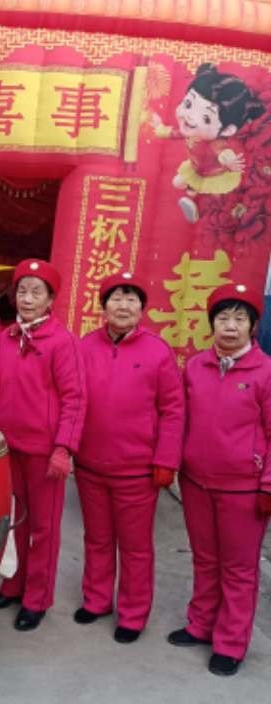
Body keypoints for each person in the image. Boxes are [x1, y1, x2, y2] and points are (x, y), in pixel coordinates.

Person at [74, 272, 184, 644]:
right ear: (103, 307)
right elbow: (72, 399)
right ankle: (96, 599)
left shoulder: (158, 351)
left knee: (135, 548)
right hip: (89, 465)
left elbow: (173, 410)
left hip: (137, 470)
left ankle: (133, 614)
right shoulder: (85, 346)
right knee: (97, 539)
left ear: (142, 309)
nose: (123, 306)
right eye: (116, 299)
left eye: (131, 300)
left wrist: (166, 460)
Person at [168, 283, 271, 677]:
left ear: (253, 326)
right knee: (205, 559)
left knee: (239, 568)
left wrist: (268, 485)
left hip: (244, 487)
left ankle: (230, 642)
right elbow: (180, 419)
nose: (230, 326)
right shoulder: (196, 366)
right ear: (212, 323)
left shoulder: (266, 372)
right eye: (223, 318)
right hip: (196, 481)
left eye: (239, 319)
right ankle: (201, 624)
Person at [0, 260, 86, 631]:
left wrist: (64, 448)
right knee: (17, 522)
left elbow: (75, 397)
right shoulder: (6, 337)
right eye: (22, 292)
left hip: (44, 451)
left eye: (36, 293)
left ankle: (37, 597)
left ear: (50, 300)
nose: (27, 299)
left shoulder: (63, 342)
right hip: (8, 447)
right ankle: (14, 584)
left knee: (44, 528)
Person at [150, 63, 264, 223]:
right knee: (177, 183)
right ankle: (192, 189)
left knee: (217, 201)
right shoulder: (192, 132)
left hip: (214, 175)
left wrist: (229, 161)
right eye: (188, 104)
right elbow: (175, 133)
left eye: (206, 118)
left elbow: (224, 152)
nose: (189, 117)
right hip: (195, 168)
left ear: (228, 130)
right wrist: (160, 127)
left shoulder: (217, 144)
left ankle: (198, 211)